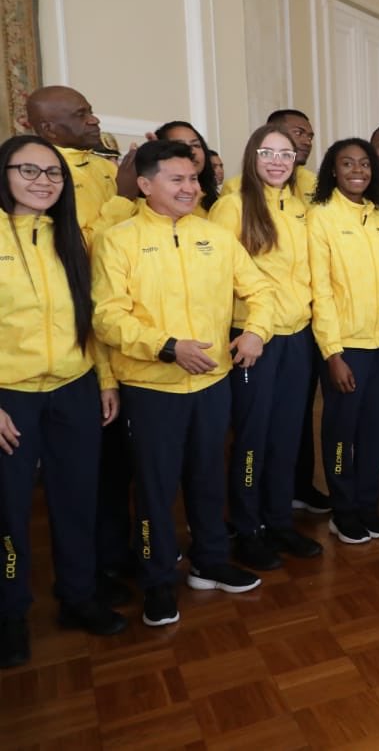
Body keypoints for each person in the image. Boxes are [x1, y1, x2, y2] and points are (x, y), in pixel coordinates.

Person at [92, 139, 272, 627]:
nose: (190, 187)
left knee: (208, 478)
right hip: (152, 387)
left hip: (212, 383)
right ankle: (156, 581)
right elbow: (108, 319)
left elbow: (259, 290)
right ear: (146, 185)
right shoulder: (119, 239)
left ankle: (210, 562)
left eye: (193, 179)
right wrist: (169, 346)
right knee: (155, 489)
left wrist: (255, 330)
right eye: (177, 179)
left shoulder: (213, 236)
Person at [0, 135, 127, 668]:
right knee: (8, 515)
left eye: (53, 173)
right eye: (28, 170)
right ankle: (9, 614)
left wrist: (105, 379)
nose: (43, 181)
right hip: (11, 396)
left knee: (78, 500)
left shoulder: (68, 235)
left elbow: (90, 317)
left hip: (73, 388)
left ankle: (77, 598)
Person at [208, 125, 323, 571]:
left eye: (285, 153)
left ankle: (278, 522)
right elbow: (219, 281)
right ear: (252, 156)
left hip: (298, 336)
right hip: (253, 339)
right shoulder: (231, 207)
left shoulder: (301, 208)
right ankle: (246, 526)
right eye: (267, 152)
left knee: (287, 436)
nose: (277, 161)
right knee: (252, 439)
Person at [307, 138, 379, 545]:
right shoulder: (321, 216)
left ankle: (367, 504)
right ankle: (343, 511)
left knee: (376, 433)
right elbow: (320, 291)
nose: (357, 170)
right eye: (347, 163)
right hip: (345, 348)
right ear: (333, 170)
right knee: (342, 433)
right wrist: (333, 353)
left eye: (364, 163)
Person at [24, 86, 139, 244]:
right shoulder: (41, 179)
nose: (94, 120)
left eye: (90, 112)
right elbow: (77, 248)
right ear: (49, 129)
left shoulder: (104, 164)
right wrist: (124, 198)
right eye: (81, 115)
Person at [222, 110, 319, 204]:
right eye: (298, 133)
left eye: (310, 137)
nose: (307, 142)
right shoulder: (234, 189)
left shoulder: (314, 183)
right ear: (272, 132)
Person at [154, 121, 219, 218]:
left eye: (196, 145)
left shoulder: (218, 202)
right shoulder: (149, 205)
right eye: (180, 146)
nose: (191, 151)